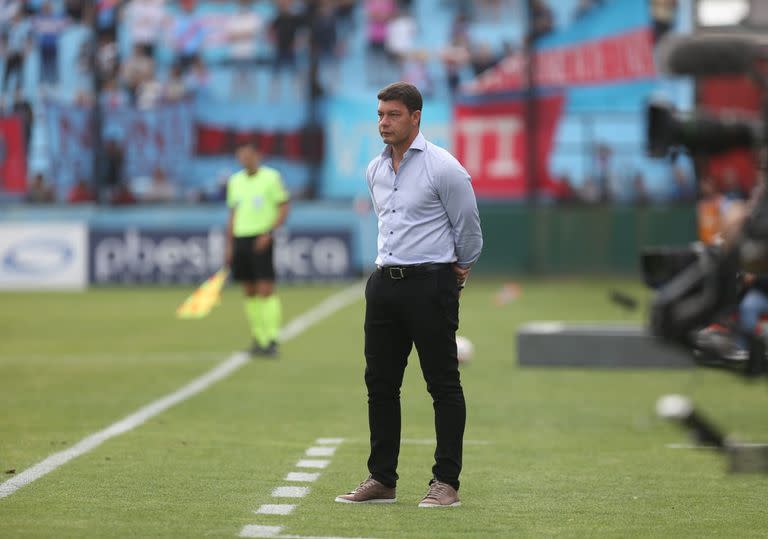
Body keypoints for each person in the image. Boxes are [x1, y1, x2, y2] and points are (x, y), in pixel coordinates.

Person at [335, 82, 483, 508]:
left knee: (442, 384)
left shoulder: (444, 168)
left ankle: (446, 483)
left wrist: (457, 270)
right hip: (383, 284)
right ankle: (382, 478)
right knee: (380, 385)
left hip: (430, 284)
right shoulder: (375, 170)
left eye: (393, 115)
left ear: (416, 117)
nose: (384, 122)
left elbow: (468, 228)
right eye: (380, 115)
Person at [225, 141, 290, 357]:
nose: (245, 160)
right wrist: (229, 244)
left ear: (257, 156)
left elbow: (283, 206)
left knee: (265, 289)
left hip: (261, 237)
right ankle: (258, 337)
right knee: (249, 290)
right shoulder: (235, 181)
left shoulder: (271, 177)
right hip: (241, 238)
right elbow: (233, 214)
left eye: (248, 156)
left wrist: (269, 233)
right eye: (241, 156)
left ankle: (271, 338)